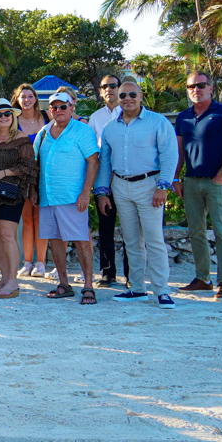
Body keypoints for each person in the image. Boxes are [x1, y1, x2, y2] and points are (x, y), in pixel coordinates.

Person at [94, 79, 181, 309]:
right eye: (123, 95)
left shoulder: (157, 122)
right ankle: (138, 288)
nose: (128, 99)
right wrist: (102, 192)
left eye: (132, 94)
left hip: (149, 185)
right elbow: (104, 163)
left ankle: (162, 291)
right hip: (121, 187)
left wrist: (163, 186)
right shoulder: (110, 128)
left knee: (154, 240)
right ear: (117, 98)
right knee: (131, 240)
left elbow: (170, 154)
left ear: (141, 96)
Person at [175, 71, 222, 301]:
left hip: (217, 182)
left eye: (201, 85)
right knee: (196, 232)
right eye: (191, 86)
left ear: (211, 87)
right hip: (192, 181)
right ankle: (203, 279)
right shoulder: (183, 117)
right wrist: (176, 178)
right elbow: (179, 152)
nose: (196, 89)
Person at [33, 92, 99, 304]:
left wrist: (86, 192)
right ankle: (64, 283)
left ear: (71, 108)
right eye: (54, 107)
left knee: (81, 242)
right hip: (47, 197)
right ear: (49, 110)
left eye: (63, 107)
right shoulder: (43, 132)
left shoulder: (82, 131)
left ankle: (88, 285)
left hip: (72, 198)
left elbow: (93, 162)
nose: (58, 111)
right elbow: (35, 163)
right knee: (55, 241)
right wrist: (34, 190)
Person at [0, 99, 37, 299]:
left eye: (7, 114)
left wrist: (3, 173)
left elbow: (29, 167)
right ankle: (4, 277)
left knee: (7, 235)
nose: (3, 117)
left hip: (11, 194)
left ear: (12, 117)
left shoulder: (21, 138)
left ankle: (13, 280)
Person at [87, 74, 128, 287]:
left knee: (131, 229)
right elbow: (93, 152)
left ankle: (131, 275)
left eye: (113, 85)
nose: (109, 89)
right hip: (105, 181)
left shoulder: (130, 112)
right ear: (100, 91)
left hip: (128, 179)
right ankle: (107, 273)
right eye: (105, 86)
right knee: (105, 228)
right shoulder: (96, 118)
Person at [12, 82, 49, 278]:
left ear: (35, 99)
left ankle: (41, 263)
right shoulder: (13, 119)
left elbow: (71, 118)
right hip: (23, 174)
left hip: (44, 173)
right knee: (27, 219)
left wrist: (84, 120)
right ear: (17, 100)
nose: (26, 100)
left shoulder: (46, 116)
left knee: (41, 218)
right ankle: (27, 262)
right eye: (22, 96)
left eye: (30, 96)